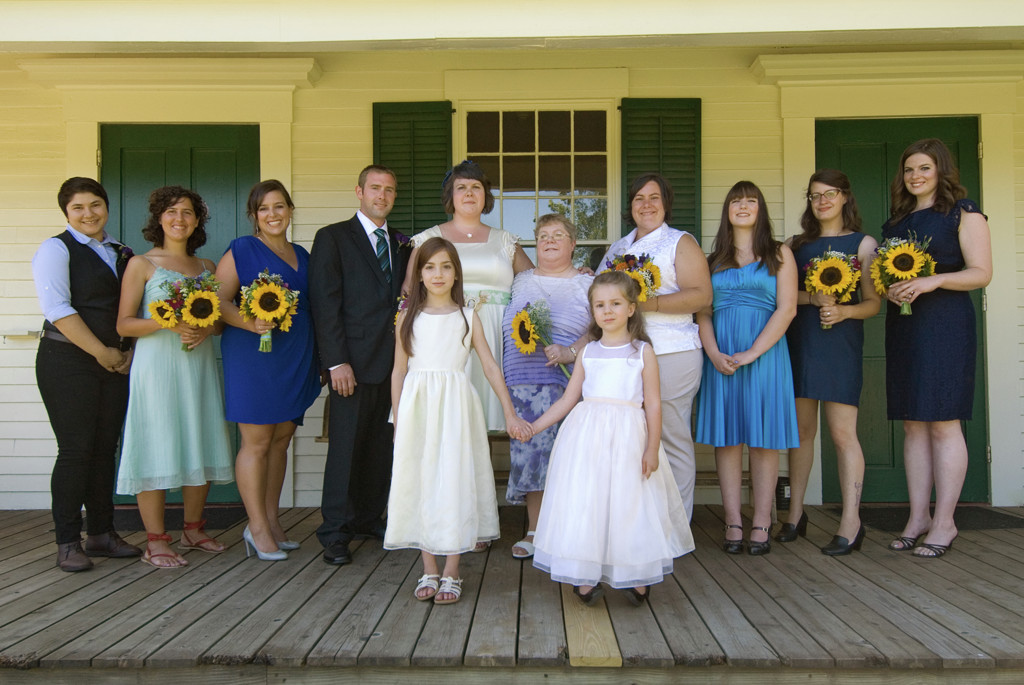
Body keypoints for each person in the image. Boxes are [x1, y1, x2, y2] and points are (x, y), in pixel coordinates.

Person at [530, 271, 694, 606]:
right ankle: (584, 573)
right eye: (600, 305)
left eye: (615, 304)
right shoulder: (588, 352)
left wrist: (652, 448)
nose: (607, 311)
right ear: (592, 311)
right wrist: (534, 427)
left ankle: (635, 570)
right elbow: (568, 400)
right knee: (587, 501)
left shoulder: (642, 352)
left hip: (629, 439)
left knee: (629, 503)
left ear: (631, 308)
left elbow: (653, 404)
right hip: (587, 439)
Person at [385, 238, 532, 605]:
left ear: (456, 274)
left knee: (453, 481)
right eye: (430, 267)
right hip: (418, 409)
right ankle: (428, 568)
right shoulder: (407, 317)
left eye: (446, 266)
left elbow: (490, 367)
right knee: (421, 481)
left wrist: (509, 411)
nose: (438, 274)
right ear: (419, 274)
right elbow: (399, 372)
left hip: (455, 410)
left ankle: (452, 570)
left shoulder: (468, 316)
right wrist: (399, 420)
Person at [881, 139, 992, 559]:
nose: (915, 176)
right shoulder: (897, 222)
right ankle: (917, 518)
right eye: (909, 169)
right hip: (905, 326)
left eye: (924, 168)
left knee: (945, 421)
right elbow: (886, 272)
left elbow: (982, 273)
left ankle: (945, 521)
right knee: (913, 423)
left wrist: (934, 281)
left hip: (946, 325)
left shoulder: (964, 213)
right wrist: (891, 290)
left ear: (941, 171)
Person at [115, 186, 234, 569]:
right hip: (156, 370)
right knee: (155, 440)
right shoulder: (141, 264)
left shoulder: (207, 267)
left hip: (197, 366)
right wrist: (165, 321)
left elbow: (219, 323)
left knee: (198, 436)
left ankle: (193, 529)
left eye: (187, 212)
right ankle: (155, 540)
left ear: (197, 221)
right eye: (171, 211)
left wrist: (205, 328)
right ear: (159, 218)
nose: (179, 219)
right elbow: (124, 324)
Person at [32, 177, 141, 572]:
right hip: (67, 361)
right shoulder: (56, 248)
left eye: (95, 204)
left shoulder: (121, 251)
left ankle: (101, 533)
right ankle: (67, 542)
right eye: (78, 207)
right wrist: (103, 352)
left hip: (114, 363)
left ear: (106, 206)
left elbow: (131, 307)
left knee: (104, 448)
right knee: (76, 450)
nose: (88, 213)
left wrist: (126, 353)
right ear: (66, 212)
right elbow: (58, 309)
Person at [216, 180, 320, 561]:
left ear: (290, 210)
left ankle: (273, 521)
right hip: (254, 355)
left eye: (279, 206)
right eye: (264, 209)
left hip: (296, 354)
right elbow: (218, 300)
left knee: (281, 440)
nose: (273, 214)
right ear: (254, 216)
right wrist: (251, 322)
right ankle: (256, 527)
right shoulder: (242, 249)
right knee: (257, 442)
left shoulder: (303, 255)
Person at [309, 165, 407, 566]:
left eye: (389, 190)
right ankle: (335, 532)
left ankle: (368, 519)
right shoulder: (333, 237)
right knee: (345, 450)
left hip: (394, 365)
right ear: (359, 191)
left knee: (380, 449)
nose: (382, 195)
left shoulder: (402, 243)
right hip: (350, 364)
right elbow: (325, 303)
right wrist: (336, 362)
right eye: (375, 188)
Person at [695, 181, 799, 556]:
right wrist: (713, 353)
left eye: (750, 200)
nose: (743, 206)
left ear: (760, 209)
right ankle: (733, 520)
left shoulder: (780, 254)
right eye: (736, 201)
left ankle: (762, 521)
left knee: (763, 438)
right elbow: (703, 313)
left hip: (766, 354)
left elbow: (787, 309)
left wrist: (754, 352)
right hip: (721, 354)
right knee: (727, 439)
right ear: (727, 210)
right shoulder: (712, 261)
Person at [601, 173, 712, 521]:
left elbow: (702, 296)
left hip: (672, 352)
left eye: (654, 198)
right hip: (625, 356)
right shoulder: (618, 248)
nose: (646, 205)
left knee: (670, 436)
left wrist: (647, 304)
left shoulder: (680, 242)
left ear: (666, 204)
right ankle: (642, 523)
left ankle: (676, 526)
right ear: (630, 206)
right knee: (634, 437)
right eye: (639, 198)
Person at [780, 170, 879, 556]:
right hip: (802, 343)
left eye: (830, 194)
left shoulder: (863, 244)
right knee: (802, 433)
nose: (822, 201)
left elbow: (873, 303)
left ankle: (851, 522)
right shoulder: (794, 245)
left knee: (842, 434)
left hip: (840, 346)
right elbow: (784, 296)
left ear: (845, 197)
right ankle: (795, 514)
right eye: (815, 195)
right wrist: (813, 299)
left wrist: (844, 312)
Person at [404, 160, 534, 433]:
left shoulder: (505, 241)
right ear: (450, 196)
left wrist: (572, 272)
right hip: (446, 335)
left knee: (490, 413)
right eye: (461, 187)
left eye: (476, 187)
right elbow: (409, 292)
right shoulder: (428, 239)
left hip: (496, 334)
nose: (469, 193)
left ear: (485, 196)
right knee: (448, 419)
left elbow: (533, 283)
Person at [501, 214, 593, 559]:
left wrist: (571, 351)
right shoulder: (519, 279)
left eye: (558, 235)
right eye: (542, 236)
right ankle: (535, 531)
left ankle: (568, 532)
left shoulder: (588, 282)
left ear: (573, 244)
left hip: (566, 383)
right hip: (518, 380)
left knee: (563, 457)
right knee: (530, 455)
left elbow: (601, 327)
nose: (550, 240)